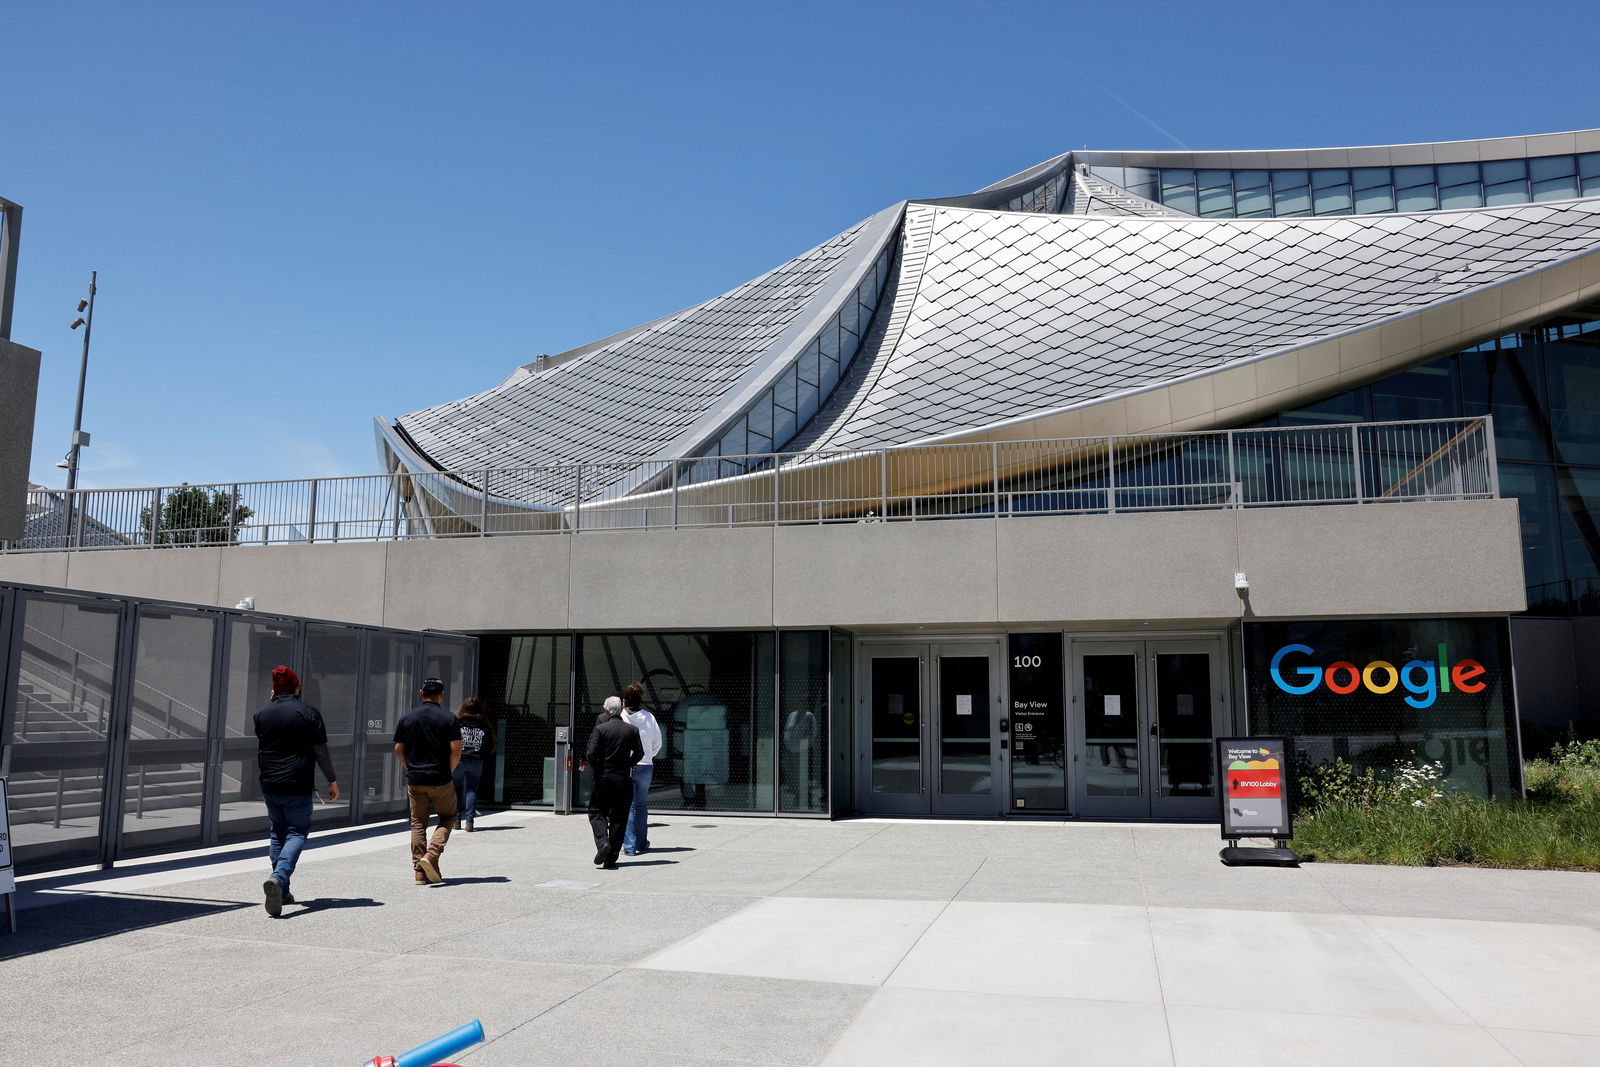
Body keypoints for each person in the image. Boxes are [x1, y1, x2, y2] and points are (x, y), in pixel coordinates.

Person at [253, 665, 340, 917]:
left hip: (269, 783)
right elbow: (320, 750)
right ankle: (278, 877)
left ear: (273, 691)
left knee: (277, 832)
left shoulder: (261, 715)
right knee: (297, 832)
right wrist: (331, 780)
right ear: (297, 688)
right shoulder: (308, 713)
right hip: (297, 783)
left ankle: (282, 889)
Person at [393, 678, 461, 884]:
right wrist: (448, 770)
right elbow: (456, 751)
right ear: (441, 695)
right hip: (440, 778)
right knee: (448, 817)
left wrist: (409, 767)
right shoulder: (449, 718)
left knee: (417, 823)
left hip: (416, 778)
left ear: (421, 692)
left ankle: (419, 872)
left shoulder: (407, 718)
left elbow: (398, 748)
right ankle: (431, 855)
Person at [581, 695, 642, 869]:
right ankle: (612, 855)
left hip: (604, 778)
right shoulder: (632, 730)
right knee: (619, 817)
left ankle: (603, 844)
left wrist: (599, 768)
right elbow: (640, 753)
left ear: (607, 711)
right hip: (623, 779)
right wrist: (627, 764)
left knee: (596, 812)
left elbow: (591, 754)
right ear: (620, 710)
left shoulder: (601, 729)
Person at [619, 682, 662, 856]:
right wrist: (649, 755)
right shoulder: (649, 717)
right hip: (646, 765)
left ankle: (629, 846)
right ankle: (642, 843)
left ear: (624, 701)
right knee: (642, 805)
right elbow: (657, 742)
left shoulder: (620, 716)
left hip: (626, 766)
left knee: (627, 806)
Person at [452, 696, 496, 832]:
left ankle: (456, 821)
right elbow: (490, 744)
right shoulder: (484, 724)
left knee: (457, 790)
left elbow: (451, 742)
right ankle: (469, 823)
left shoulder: (457, 723)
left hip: (459, 760)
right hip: (476, 760)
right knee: (471, 791)